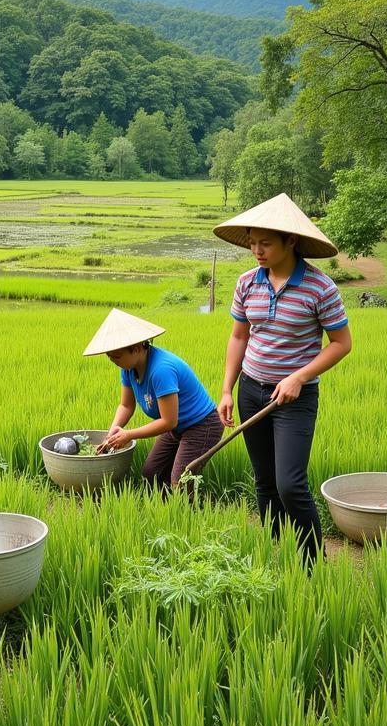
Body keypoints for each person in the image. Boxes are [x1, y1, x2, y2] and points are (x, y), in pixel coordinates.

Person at [214, 194, 352, 566]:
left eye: (265, 243)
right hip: (250, 391)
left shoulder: (320, 288)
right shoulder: (247, 283)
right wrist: (227, 389)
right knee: (265, 482)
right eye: (252, 241)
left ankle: (311, 562)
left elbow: (341, 344)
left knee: (291, 484)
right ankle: (278, 551)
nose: (256, 250)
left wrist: (299, 377)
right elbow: (239, 336)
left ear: (290, 242)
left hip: (295, 399)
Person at [84, 308, 223, 492]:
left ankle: (193, 515)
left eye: (116, 356)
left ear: (135, 349)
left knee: (181, 482)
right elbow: (126, 405)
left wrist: (129, 435)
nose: (113, 361)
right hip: (177, 427)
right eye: (109, 356)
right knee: (152, 472)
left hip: (201, 426)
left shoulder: (161, 370)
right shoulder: (128, 368)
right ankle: (166, 511)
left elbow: (168, 421)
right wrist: (112, 435)